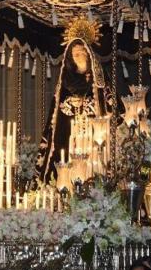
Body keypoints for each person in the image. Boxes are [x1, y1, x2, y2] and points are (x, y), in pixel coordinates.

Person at [36, 35, 112, 182]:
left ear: (89, 53)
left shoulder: (99, 78)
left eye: (83, 52)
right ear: (70, 57)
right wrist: (70, 103)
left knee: (92, 167)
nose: (80, 56)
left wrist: (87, 103)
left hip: (92, 134)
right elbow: (57, 112)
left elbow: (108, 105)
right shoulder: (65, 79)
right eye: (76, 54)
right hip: (68, 134)